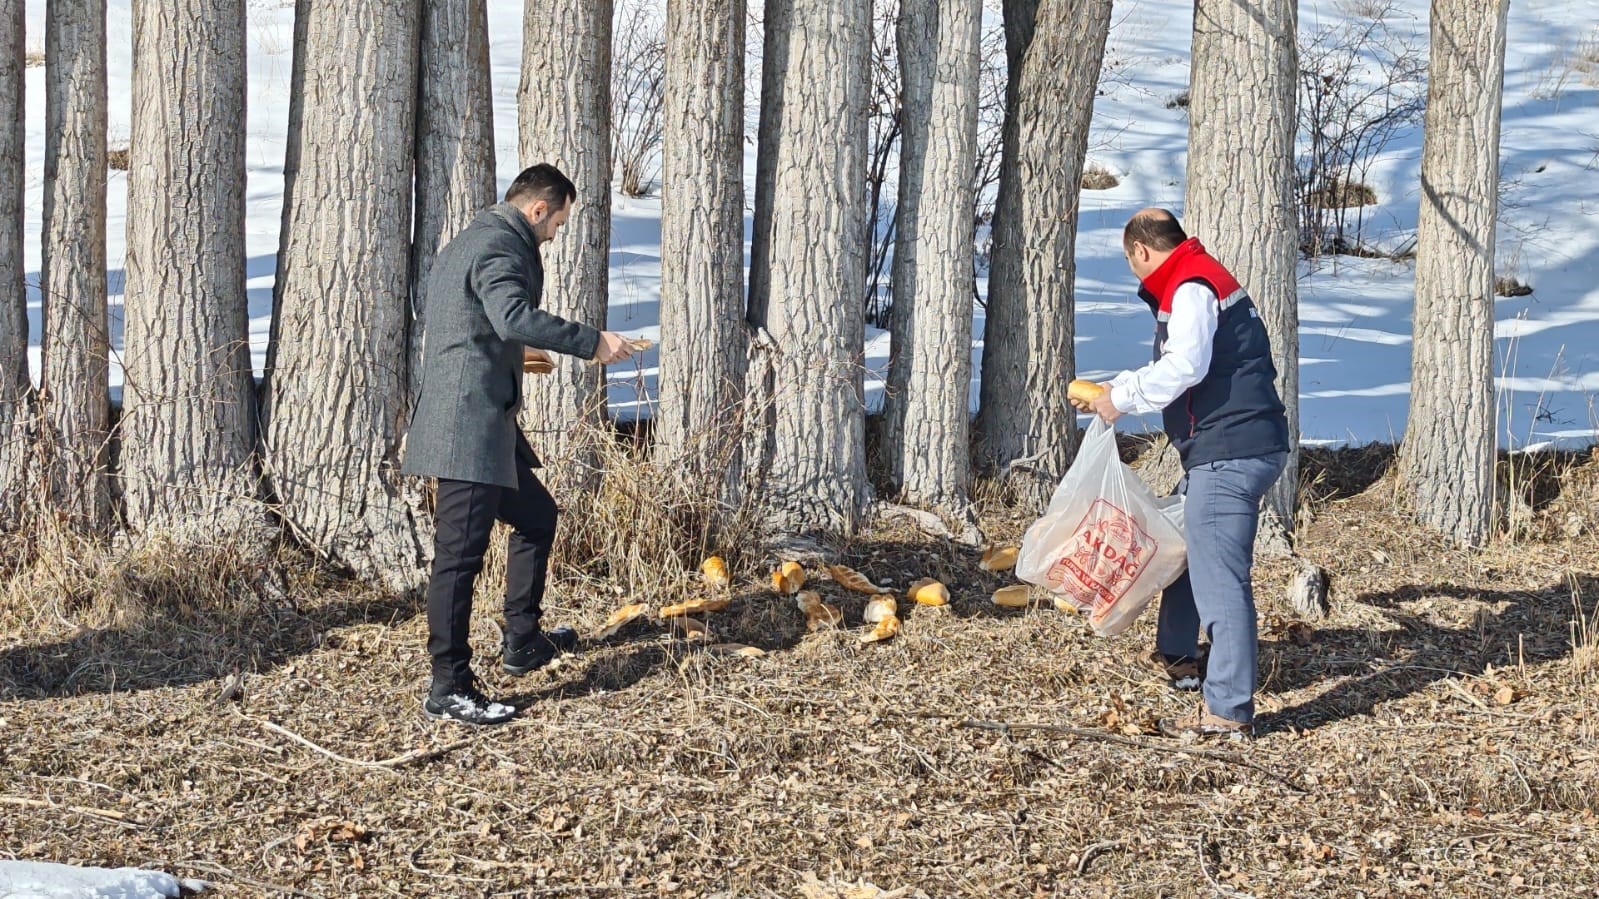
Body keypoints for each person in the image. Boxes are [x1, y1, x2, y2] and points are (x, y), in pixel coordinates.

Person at [402, 163, 636, 725]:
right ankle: (448, 686)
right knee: (459, 558)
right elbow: (510, 315)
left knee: (537, 517)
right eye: (557, 222)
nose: (554, 234)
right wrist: (592, 342)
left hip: (484, 421)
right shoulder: (500, 246)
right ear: (538, 209)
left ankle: (523, 641)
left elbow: (474, 322)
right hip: (467, 427)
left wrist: (515, 354)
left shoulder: (474, 238)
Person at [1072, 208, 1289, 740]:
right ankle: (1177, 655)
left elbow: (1185, 366)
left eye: (1130, 261)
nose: (1134, 271)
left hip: (1230, 449)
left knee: (1221, 581)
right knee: (1188, 543)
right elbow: (1182, 365)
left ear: (1141, 251)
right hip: (1232, 445)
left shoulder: (1191, 286)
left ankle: (1228, 711)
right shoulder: (1197, 278)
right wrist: (1116, 389)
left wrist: (1122, 398)